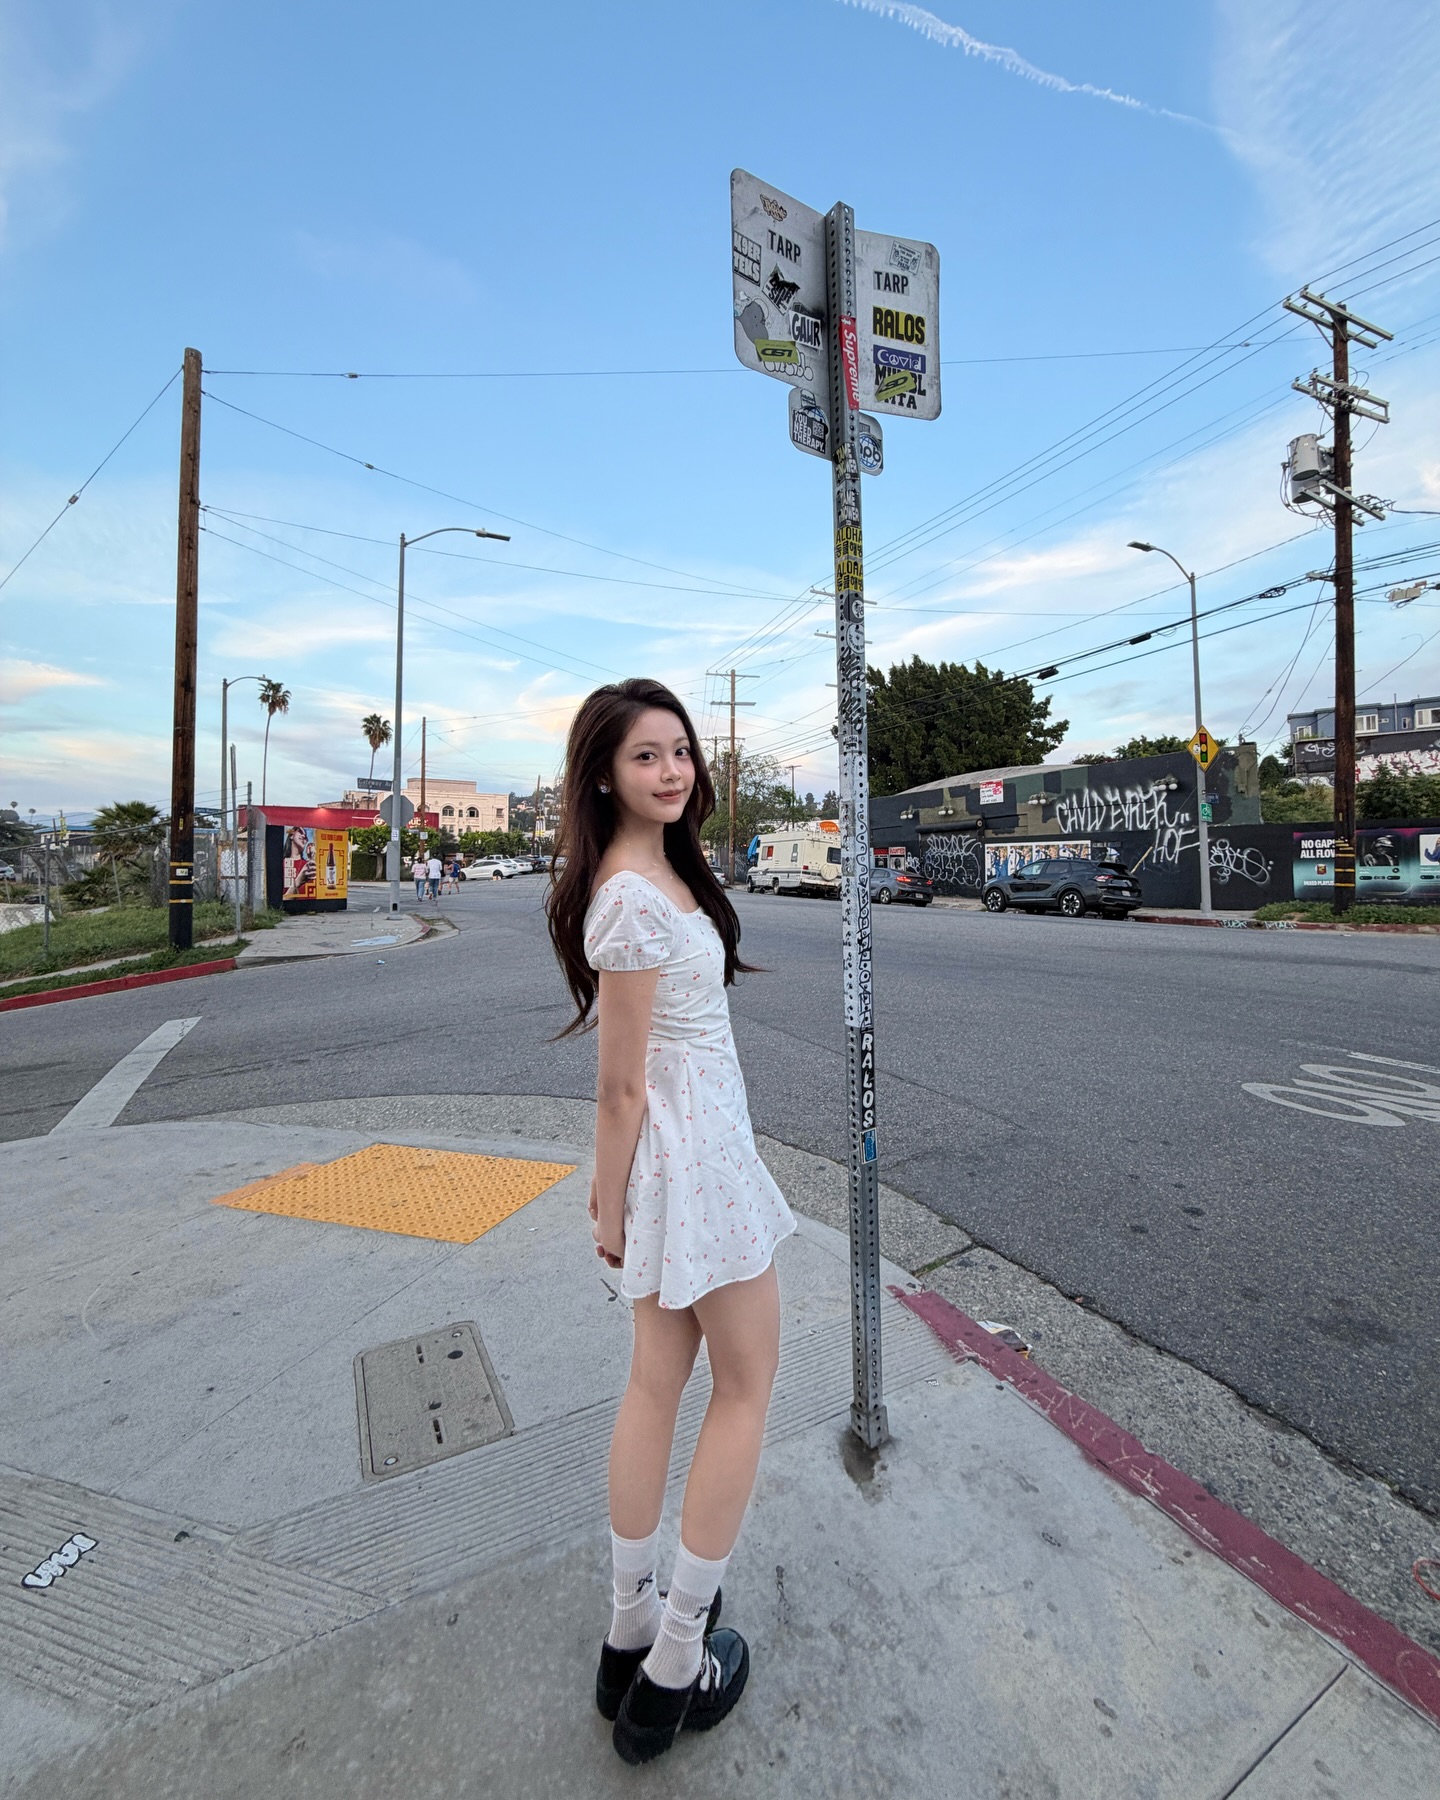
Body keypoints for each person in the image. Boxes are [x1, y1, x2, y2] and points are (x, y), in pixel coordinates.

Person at [547, 678, 795, 1766]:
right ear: (604, 774)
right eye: (646, 756)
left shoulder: (659, 873)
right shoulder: (630, 898)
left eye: (681, 751)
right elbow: (618, 1084)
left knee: (656, 1383)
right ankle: (676, 1658)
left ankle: (630, 1631)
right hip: (695, 1169)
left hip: (686, 1159)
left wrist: (621, 1196)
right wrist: (608, 1202)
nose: (672, 770)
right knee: (744, 1387)